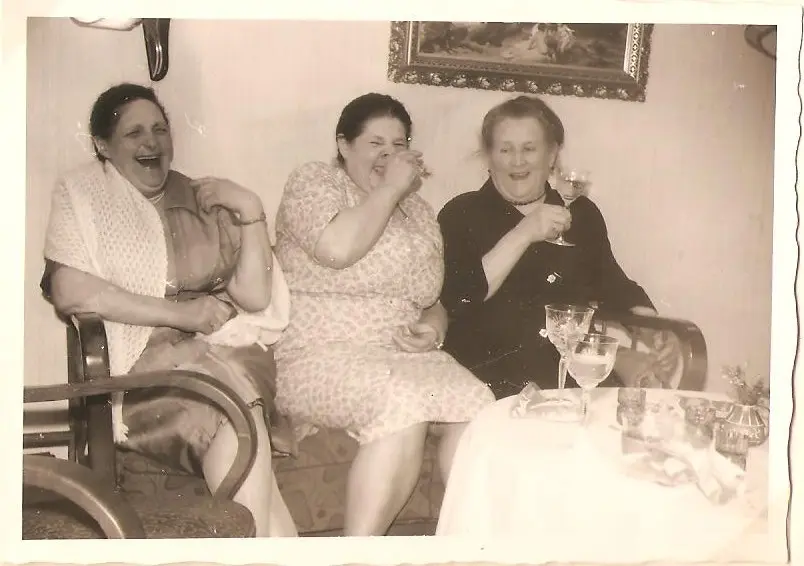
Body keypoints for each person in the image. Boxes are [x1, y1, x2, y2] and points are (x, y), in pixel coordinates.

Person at [40, 82, 297, 537]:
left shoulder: (199, 197)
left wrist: (251, 209)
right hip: (140, 370)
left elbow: (255, 297)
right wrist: (182, 315)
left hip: (223, 356)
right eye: (134, 133)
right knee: (238, 412)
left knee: (238, 407)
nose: (151, 142)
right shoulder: (81, 196)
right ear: (102, 145)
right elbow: (69, 291)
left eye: (160, 129)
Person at [273, 92, 495, 536]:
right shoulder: (315, 183)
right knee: (402, 404)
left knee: (480, 408)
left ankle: (462, 549)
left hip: (404, 357)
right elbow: (336, 249)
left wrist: (433, 327)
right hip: (319, 353)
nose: (388, 156)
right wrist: (391, 189)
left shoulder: (418, 211)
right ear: (343, 144)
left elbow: (431, 298)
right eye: (375, 143)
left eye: (398, 145)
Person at [438, 95, 656, 400]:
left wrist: (652, 324)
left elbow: (612, 284)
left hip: (571, 373)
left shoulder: (581, 213)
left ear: (552, 155)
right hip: (488, 378)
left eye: (529, 149)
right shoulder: (461, 213)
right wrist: (525, 232)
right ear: (489, 156)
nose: (517, 161)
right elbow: (458, 298)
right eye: (505, 149)